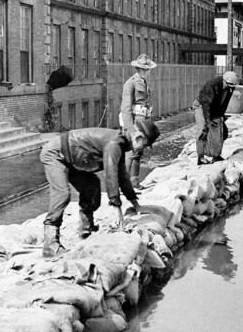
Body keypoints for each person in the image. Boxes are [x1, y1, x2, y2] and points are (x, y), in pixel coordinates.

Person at [39, 120, 160, 258]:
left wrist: (136, 205)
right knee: (62, 194)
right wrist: (116, 206)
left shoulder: (122, 145)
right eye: (144, 145)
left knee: (92, 186)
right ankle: (50, 244)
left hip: (72, 158)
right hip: (56, 154)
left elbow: (122, 178)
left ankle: (85, 230)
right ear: (139, 137)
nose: (142, 149)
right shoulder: (114, 144)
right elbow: (110, 173)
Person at [120, 54, 157, 190]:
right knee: (131, 153)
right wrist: (131, 129)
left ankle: (134, 183)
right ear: (138, 69)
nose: (147, 71)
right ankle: (124, 186)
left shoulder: (144, 82)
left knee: (138, 152)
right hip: (135, 122)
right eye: (144, 69)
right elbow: (125, 108)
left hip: (143, 121)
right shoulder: (130, 83)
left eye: (147, 69)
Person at [193, 71, 239, 165]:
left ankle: (216, 155)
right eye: (229, 86)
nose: (231, 89)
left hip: (215, 108)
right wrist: (208, 121)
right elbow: (206, 105)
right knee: (203, 130)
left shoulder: (230, 87)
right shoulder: (212, 85)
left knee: (222, 132)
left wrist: (221, 116)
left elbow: (224, 103)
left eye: (232, 87)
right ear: (224, 81)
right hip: (202, 107)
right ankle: (200, 157)